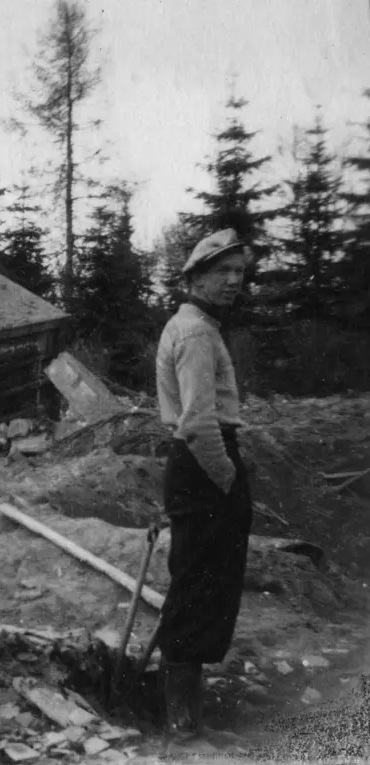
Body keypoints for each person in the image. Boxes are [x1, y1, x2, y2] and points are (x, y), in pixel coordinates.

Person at [154, 228, 254, 736]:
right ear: (196, 277)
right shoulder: (195, 333)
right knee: (197, 583)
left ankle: (185, 707)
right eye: (223, 272)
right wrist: (228, 477)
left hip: (199, 464)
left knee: (203, 579)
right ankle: (182, 720)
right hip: (202, 465)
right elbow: (196, 421)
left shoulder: (201, 325)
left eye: (239, 271)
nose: (234, 280)